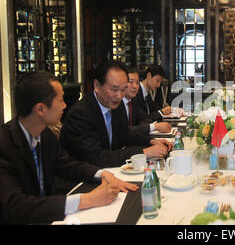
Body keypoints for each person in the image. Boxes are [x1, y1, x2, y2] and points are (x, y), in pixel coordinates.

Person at [0, 71, 138, 224]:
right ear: (40, 109)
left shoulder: (44, 134)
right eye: (60, 100)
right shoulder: (5, 144)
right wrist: (86, 200)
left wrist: (102, 174)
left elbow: (67, 164)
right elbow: (14, 206)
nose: (65, 106)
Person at [60, 60, 170, 168]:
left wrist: (151, 141)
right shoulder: (81, 113)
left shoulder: (114, 106)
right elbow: (97, 157)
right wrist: (143, 152)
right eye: (114, 89)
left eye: (123, 90)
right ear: (97, 85)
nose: (119, 96)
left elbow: (125, 134)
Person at [120, 68, 172, 140]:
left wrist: (151, 141)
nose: (135, 86)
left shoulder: (132, 101)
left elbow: (146, 118)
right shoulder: (116, 104)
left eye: (137, 82)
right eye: (130, 82)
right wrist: (153, 127)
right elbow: (125, 132)